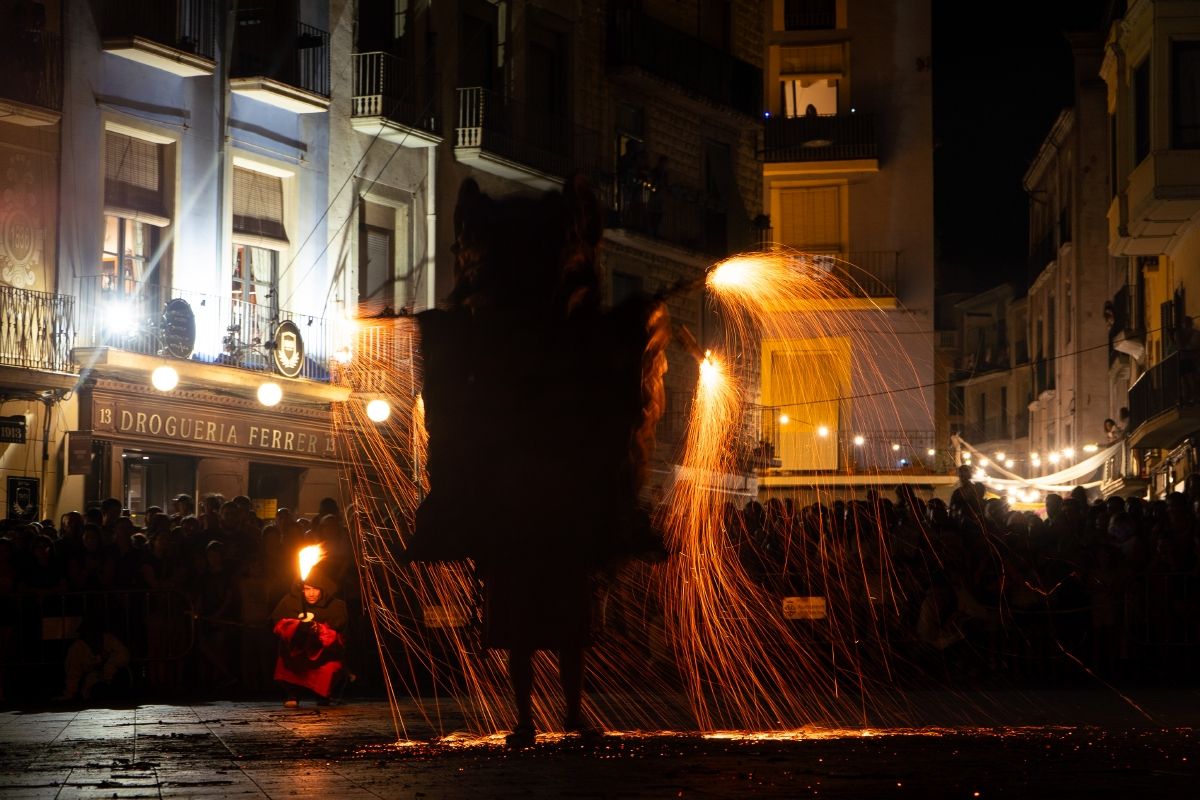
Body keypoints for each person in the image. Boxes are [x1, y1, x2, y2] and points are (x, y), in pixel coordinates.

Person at [270, 565, 348, 707]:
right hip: (298, 651)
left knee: (331, 667)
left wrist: (319, 629)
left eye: (315, 589)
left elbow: (338, 631)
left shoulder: (336, 605)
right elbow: (279, 624)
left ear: (323, 590)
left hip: (323, 653)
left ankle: (323, 694)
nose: (311, 593)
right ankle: (293, 693)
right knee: (286, 662)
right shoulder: (290, 602)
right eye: (307, 589)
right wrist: (297, 627)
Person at [55, 615, 131, 703]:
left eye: (96, 633)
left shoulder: (108, 640)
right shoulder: (77, 648)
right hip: (93, 682)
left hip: (111, 677)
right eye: (90, 633)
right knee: (97, 688)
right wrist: (70, 693)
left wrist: (109, 664)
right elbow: (72, 673)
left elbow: (124, 654)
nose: (93, 636)